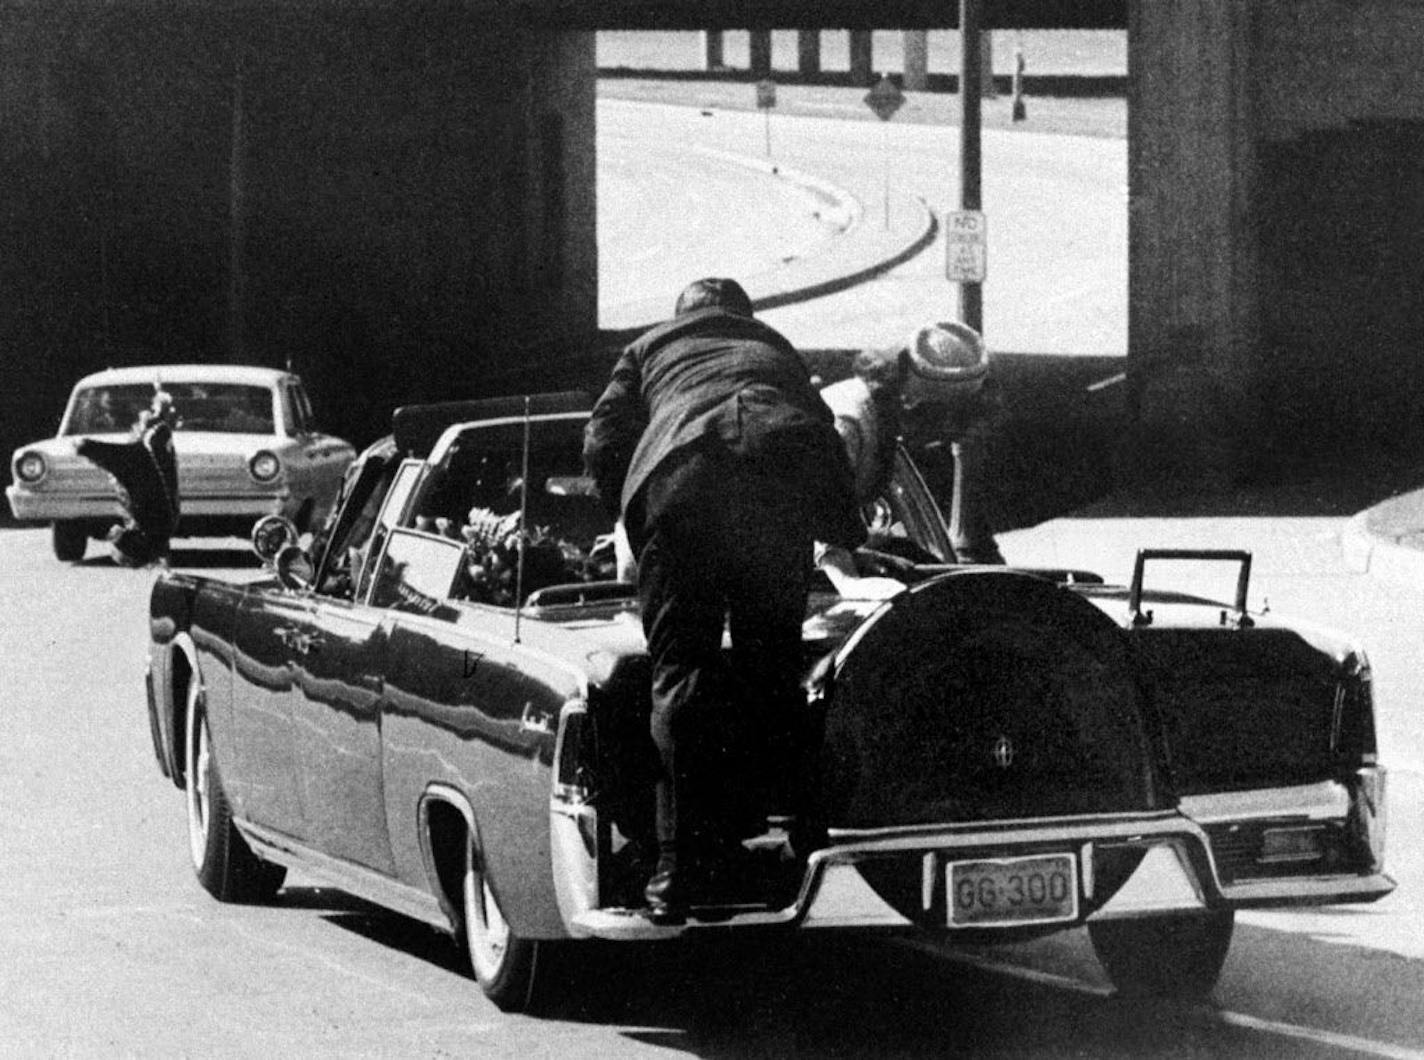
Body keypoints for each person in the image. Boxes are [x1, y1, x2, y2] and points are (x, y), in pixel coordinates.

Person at [583, 277, 864, 922]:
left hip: (681, 490)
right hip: (777, 493)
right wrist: (847, 536)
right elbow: (821, 438)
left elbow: (601, 441)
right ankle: (799, 847)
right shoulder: (775, 348)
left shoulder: (648, 349)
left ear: (683, 315)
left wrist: (629, 518)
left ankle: (676, 875)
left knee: (682, 676)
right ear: (743, 316)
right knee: (775, 670)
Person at [815, 320, 1004, 597]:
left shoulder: (880, 419)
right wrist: (847, 580)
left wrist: (860, 552)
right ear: (916, 404)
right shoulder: (849, 421)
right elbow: (814, 506)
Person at [77, 388, 180, 566]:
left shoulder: (159, 529)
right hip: (148, 457)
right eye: (121, 538)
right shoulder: (147, 519)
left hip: (151, 453)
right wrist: (86, 448)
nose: (117, 530)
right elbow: (130, 465)